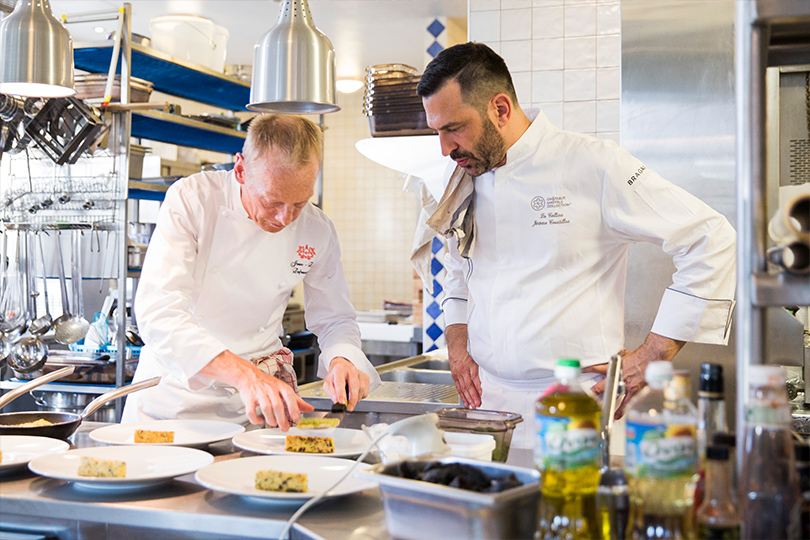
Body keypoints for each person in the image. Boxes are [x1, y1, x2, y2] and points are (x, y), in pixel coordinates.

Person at [416, 42, 736, 448]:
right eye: (437, 131)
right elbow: (463, 267)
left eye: (453, 128)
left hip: (577, 404)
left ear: (500, 109)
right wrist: (458, 341)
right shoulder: (466, 172)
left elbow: (710, 237)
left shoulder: (592, 163)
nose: (445, 148)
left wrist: (655, 351)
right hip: (488, 406)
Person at [122, 114, 381, 430]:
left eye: (299, 203)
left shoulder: (317, 229)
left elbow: (335, 319)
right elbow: (158, 311)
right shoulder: (193, 200)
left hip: (255, 412)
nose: (285, 218)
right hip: (174, 407)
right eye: (273, 201)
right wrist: (246, 376)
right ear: (241, 169)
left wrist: (343, 358)